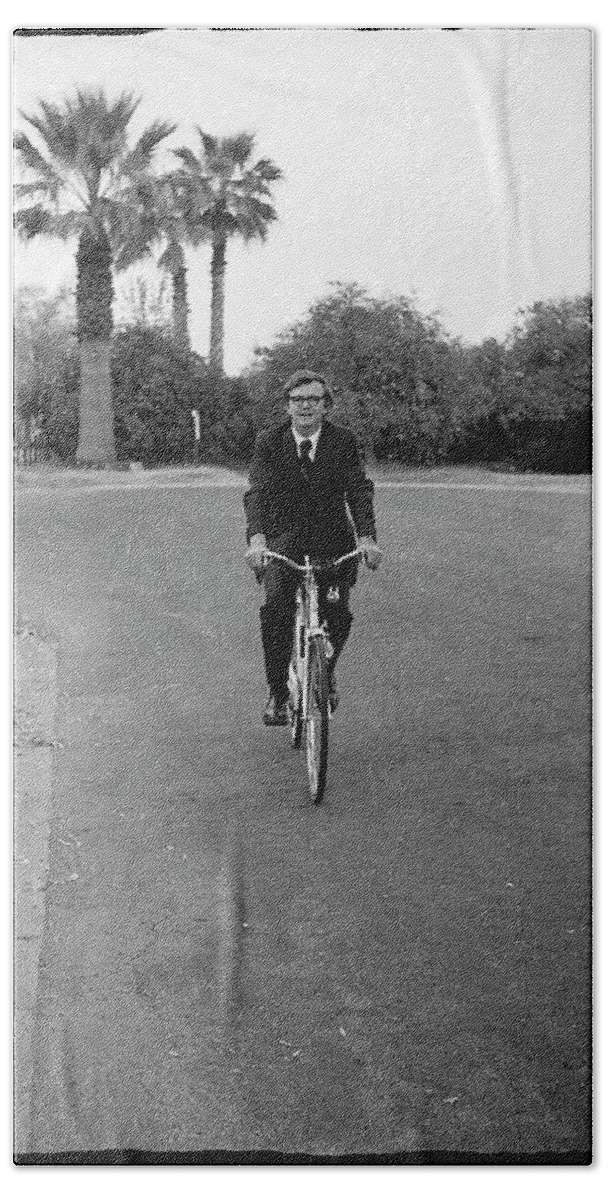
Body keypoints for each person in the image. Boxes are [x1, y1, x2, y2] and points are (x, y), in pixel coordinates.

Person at [243, 369, 382, 725]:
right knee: (276, 609)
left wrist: (366, 538)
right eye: (297, 400)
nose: (305, 406)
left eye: (313, 400)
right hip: (282, 538)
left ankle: (325, 669)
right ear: (287, 406)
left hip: (332, 540)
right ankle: (277, 692)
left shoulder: (343, 441)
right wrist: (257, 538)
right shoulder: (270, 442)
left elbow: (358, 490)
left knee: (338, 614)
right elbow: (256, 491)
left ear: (326, 406)